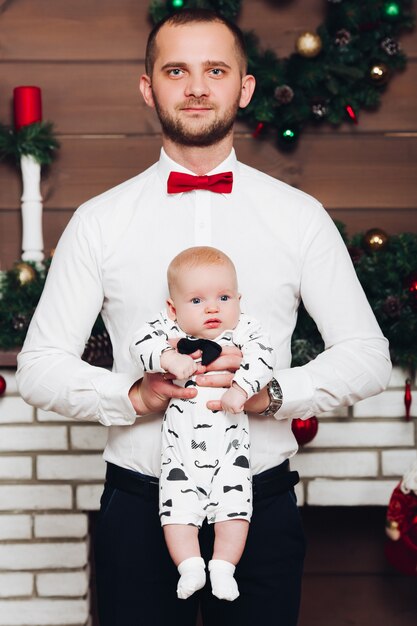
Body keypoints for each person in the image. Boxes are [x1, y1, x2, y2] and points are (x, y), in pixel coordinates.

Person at [16, 8, 392, 626]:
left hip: (262, 500)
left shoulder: (298, 216)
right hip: (137, 504)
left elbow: (368, 355)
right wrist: (135, 395)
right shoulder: (99, 221)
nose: (196, 87)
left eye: (215, 70)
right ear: (148, 88)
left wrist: (267, 395)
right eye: (176, 70)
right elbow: (39, 367)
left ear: (243, 87)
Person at [130, 246, 275, 602]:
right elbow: (138, 343)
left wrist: (242, 388)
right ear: (173, 308)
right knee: (176, 510)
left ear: (239, 300)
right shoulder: (168, 330)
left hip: (230, 452)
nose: (213, 308)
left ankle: (224, 569)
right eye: (197, 300)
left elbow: (265, 359)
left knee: (236, 509)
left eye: (224, 297)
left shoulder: (245, 329)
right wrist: (166, 357)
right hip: (180, 453)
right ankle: (190, 565)